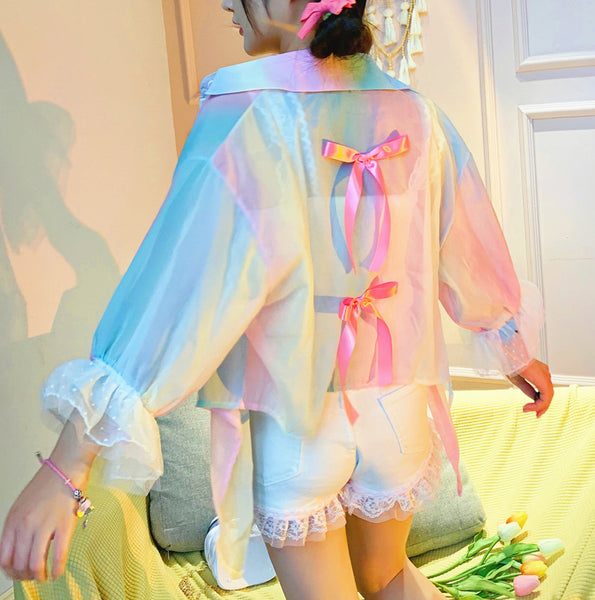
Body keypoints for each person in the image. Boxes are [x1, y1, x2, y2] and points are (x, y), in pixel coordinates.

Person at [0, 0, 554, 598]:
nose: (225, 4)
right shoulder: (417, 112)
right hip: (397, 413)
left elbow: (178, 284)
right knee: (388, 577)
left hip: (298, 430)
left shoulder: (247, 115)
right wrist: (512, 347)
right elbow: (464, 240)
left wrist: (68, 465)